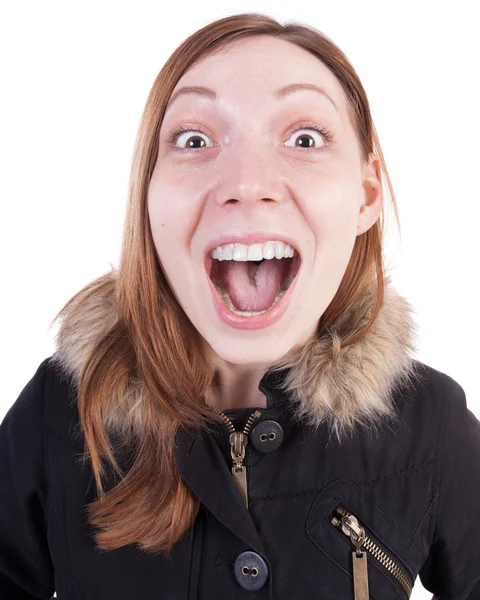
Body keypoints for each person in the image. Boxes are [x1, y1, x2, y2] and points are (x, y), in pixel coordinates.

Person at [1, 12, 479, 600]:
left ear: (366, 195)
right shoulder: (64, 407)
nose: (248, 182)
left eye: (304, 138)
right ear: (148, 198)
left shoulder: (430, 421)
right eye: (195, 140)